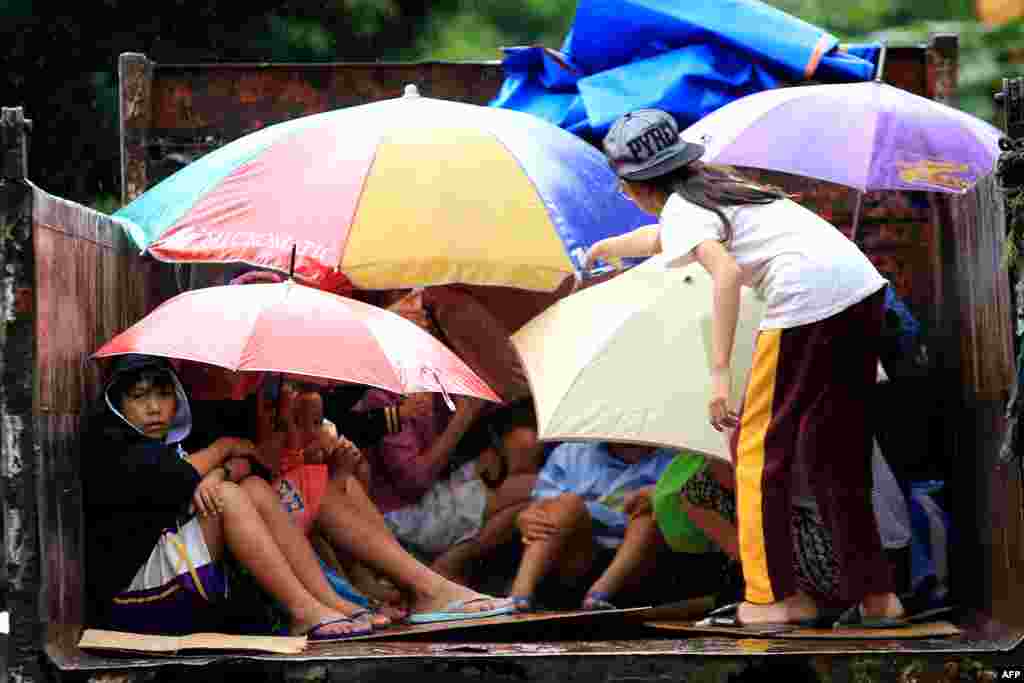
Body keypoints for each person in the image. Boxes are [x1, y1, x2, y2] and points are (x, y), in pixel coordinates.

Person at [586, 108, 903, 627]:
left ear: (635, 184)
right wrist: (608, 247)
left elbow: (726, 273)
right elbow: (671, 238)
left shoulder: (687, 208)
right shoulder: (719, 189)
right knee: (833, 454)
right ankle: (878, 597)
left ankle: (773, 598)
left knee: (752, 452)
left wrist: (718, 376)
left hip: (806, 304)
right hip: (860, 294)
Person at [82, 354, 372, 641]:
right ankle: (302, 609)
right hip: (131, 601)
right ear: (117, 404)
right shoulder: (113, 444)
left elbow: (249, 464)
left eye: (164, 395)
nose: (154, 408)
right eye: (138, 397)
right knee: (228, 497)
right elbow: (177, 477)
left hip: (170, 576)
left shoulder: (171, 445)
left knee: (254, 488)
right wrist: (225, 447)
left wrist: (217, 473)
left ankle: (324, 599)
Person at [507, 441, 675, 611]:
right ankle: (518, 597)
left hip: (642, 563)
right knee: (566, 503)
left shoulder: (678, 461)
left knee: (651, 508)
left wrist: (663, 495)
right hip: (576, 558)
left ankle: (599, 595)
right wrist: (529, 517)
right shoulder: (570, 453)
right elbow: (540, 508)